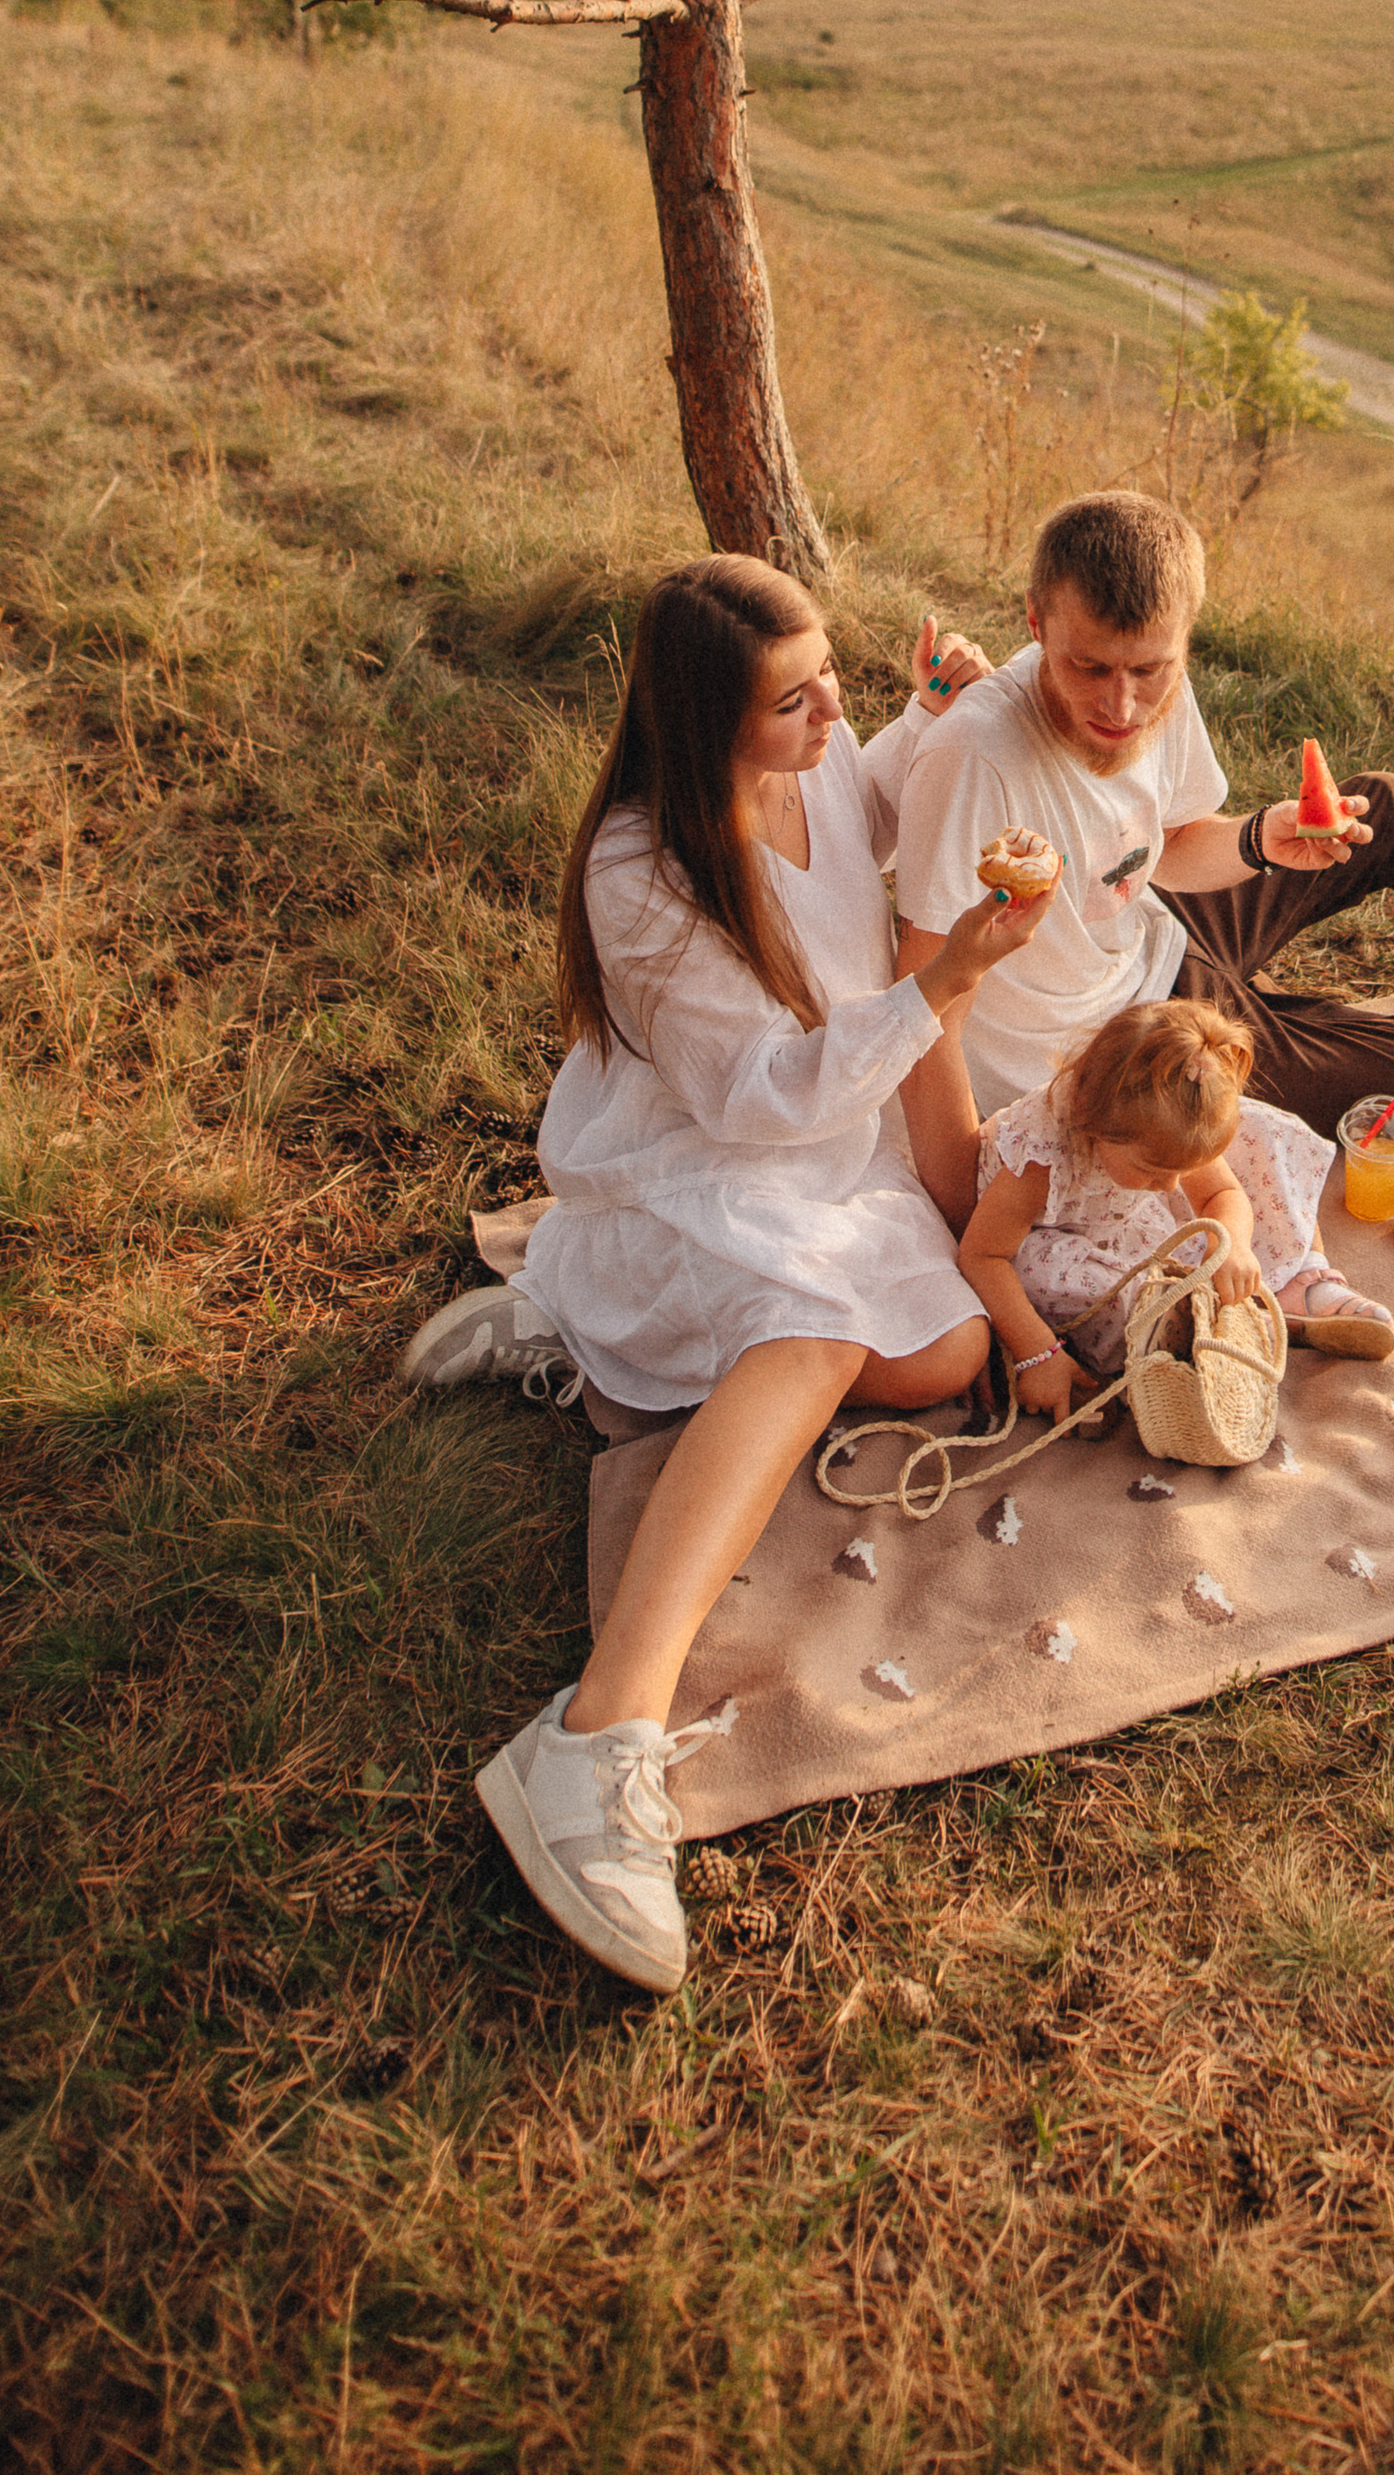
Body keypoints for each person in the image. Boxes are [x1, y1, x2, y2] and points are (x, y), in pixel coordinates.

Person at [399, 560, 1047, 1996]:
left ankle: (571, 1314)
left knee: (942, 1359)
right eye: (794, 698)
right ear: (704, 722)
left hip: (826, 1157)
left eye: (834, 678)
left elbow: (870, 807)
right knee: (815, 1335)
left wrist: (929, 716)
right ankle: (594, 1740)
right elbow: (759, 1104)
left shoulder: (820, 766)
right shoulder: (638, 874)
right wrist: (941, 988)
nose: (832, 710)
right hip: (711, 1160)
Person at [893, 486, 1394, 1153]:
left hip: (1154, 930)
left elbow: (1166, 846)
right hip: (1121, 1046)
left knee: (1383, 808)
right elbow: (925, 993)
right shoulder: (975, 757)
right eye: (1089, 667)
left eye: (1150, 669)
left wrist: (1259, 838)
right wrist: (968, 1195)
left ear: (1181, 640)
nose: (1121, 704)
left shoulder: (1150, 687)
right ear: (1034, 622)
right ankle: (1281, 1027)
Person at [961, 998, 1394, 1408]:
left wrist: (1233, 1245)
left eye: (1178, 1172)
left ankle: (1298, 1276)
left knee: (1262, 1136)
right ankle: (1184, 1331)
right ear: (1095, 1123)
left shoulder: (1162, 1130)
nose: (1171, 1187)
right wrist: (1037, 1353)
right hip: (1057, 1237)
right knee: (1050, 1274)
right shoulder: (1039, 1158)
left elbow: (1221, 1194)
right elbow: (982, 1256)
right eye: (1154, 1170)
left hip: (1130, 1217)